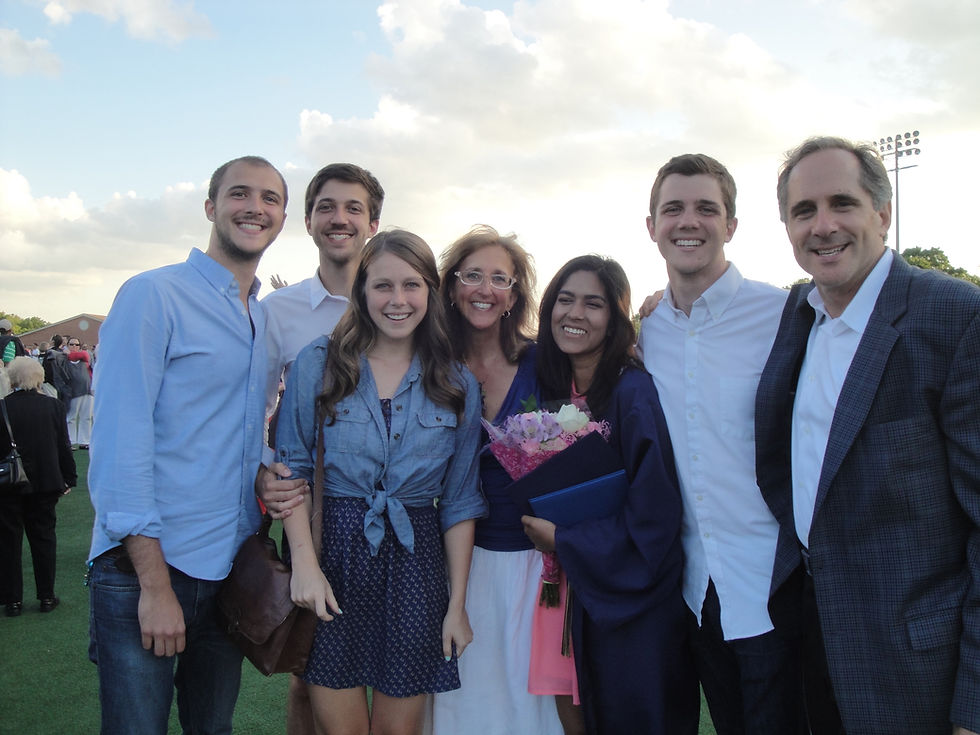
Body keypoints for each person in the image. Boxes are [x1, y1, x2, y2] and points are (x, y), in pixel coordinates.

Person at [756, 135, 980, 735]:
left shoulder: (955, 317)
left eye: (842, 204)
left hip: (917, 667)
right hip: (811, 635)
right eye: (804, 211)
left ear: (882, 213)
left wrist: (972, 709)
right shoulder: (796, 314)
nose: (823, 226)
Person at [86, 155, 287, 734]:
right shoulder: (154, 295)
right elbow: (121, 446)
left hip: (227, 570)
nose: (255, 207)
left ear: (280, 218)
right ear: (211, 207)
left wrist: (265, 471)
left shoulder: (262, 319)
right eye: (240, 194)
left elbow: (233, 430)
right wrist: (153, 586)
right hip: (146, 571)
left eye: (270, 198)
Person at [275, 229, 486, 735]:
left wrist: (456, 606)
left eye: (412, 286)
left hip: (417, 566)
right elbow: (293, 471)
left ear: (431, 293)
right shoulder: (319, 364)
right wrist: (304, 565)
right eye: (383, 286)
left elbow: (459, 501)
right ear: (362, 291)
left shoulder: (456, 382)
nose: (398, 301)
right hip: (333, 559)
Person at [637, 154, 804, 734]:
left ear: (731, 225)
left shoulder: (787, 315)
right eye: (673, 208)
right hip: (694, 593)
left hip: (778, 588)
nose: (690, 221)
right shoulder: (645, 332)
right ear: (651, 225)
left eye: (707, 208)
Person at [521, 255, 698, 735]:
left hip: (631, 604)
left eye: (593, 304)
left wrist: (566, 539)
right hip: (570, 594)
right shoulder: (555, 390)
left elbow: (655, 516)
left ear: (616, 318)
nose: (575, 314)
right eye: (565, 299)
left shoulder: (632, 392)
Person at [256, 162, 385, 735]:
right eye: (327, 207)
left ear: (374, 223)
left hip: (398, 511)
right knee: (309, 668)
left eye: (354, 208)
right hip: (312, 510)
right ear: (307, 220)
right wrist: (265, 472)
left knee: (398, 665)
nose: (340, 219)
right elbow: (252, 413)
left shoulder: (403, 300)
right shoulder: (276, 314)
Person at [430, 226, 564, 735]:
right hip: (451, 559)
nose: (485, 289)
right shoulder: (430, 365)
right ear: (451, 286)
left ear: (514, 295)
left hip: (534, 559)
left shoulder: (544, 363)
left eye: (499, 279)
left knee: (529, 706)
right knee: (463, 703)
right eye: (472, 275)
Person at [0, 357, 76, 617]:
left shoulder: (2, 408)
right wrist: (69, 477)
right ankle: (46, 596)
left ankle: (12, 601)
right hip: (45, 482)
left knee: (8, 542)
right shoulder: (53, 406)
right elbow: (63, 446)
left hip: (9, 484)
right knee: (44, 539)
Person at [65, 339, 93, 449]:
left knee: (86, 417)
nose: (74, 346)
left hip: (87, 390)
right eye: (71, 344)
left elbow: (82, 355)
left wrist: (69, 354)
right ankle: (71, 441)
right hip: (73, 392)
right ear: (67, 345)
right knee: (71, 418)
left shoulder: (83, 356)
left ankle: (85, 441)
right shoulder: (63, 359)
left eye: (76, 345)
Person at [42, 335, 71, 406]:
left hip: (50, 381)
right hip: (61, 381)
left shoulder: (50, 353)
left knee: (51, 402)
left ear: (53, 341)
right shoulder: (63, 353)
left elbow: (46, 367)